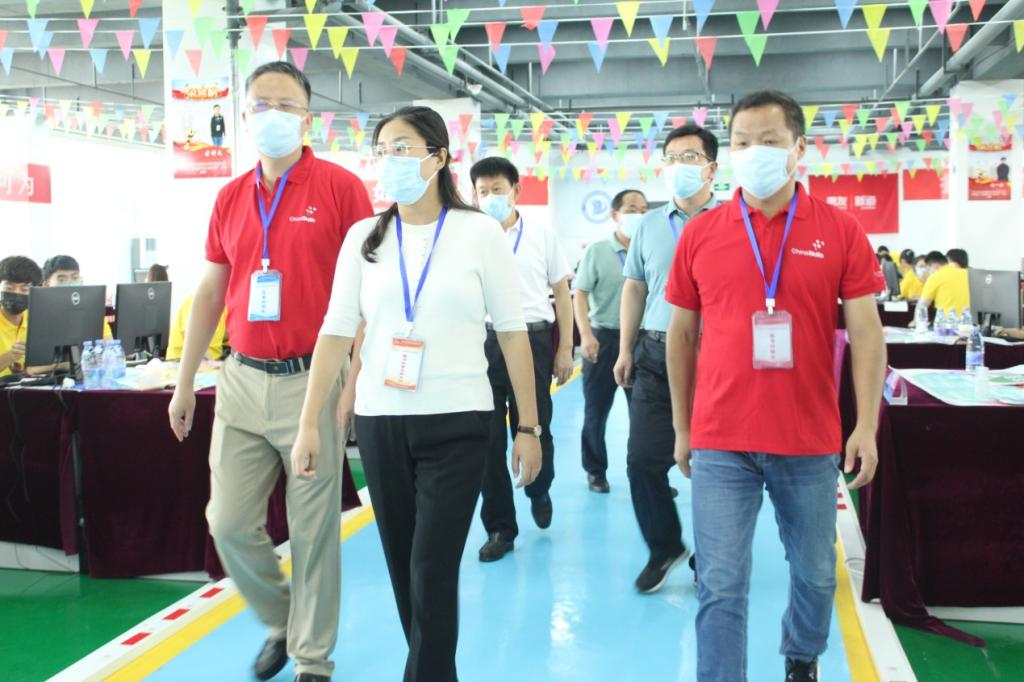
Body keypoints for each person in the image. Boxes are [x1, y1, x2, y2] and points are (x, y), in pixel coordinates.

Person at [290, 106, 541, 682]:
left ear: (438, 157)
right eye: (383, 150)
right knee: (405, 570)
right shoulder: (364, 238)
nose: (391, 160)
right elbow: (335, 331)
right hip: (381, 421)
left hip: (458, 421)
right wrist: (309, 422)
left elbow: (512, 332)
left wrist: (528, 427)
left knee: (431, 569)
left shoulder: (478, 233)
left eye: (403, 148)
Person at [664, 89, 887, 682]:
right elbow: (681, 335)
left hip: (808, 439)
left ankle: (801, 652)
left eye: (769, 140)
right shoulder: (702, 233)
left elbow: (866, 333)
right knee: (720, 582)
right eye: (741, 142)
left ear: (798, 148)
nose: (753, 152)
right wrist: (683, 427)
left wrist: (866, 426)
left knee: (815, 573)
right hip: (721, 438)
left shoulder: (839, 229)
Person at [166, 61, 373, 682]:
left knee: (312, 531)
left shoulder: (340, 188)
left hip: (314, 381)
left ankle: (313, 659)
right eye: (261, 104)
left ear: (308, 118)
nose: (273, 115)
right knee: (227, 522)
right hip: (240, 378)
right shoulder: (230, 196)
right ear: (244, 115)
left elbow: (367, 291)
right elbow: (210, 293)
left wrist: (354, 379)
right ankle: (282, 619)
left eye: (287, 105)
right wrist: (184, 382)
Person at [613, 123, 719, 593]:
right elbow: (635, 287)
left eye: (690, 157)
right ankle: (664, 546)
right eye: (672, 158)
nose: (679, 166)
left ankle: (711, 556)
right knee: (641, 460)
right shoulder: (650, 225)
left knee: (716, 466)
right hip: (655, 353)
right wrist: (625, 348)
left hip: (717, 355)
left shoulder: (733, 221)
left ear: (711, 167)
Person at [471, 156, 573, 562]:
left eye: (497, 189)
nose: (490, 197)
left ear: (516, 190)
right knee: (487, 439)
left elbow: (562, 293)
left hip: (533, 340)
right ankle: (500, 527)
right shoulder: (469, 235)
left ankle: (539, 487)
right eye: (482, 191)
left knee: (535, 426)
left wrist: (564, 348)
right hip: (482, 342)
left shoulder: (541, 234)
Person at [575, 189, 647, 493]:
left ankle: (645, 475)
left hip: (643, 340)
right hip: (603, 338)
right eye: (631, 209)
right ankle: (595, 471)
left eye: (643, 209)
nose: (638, 215)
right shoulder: (598, 250)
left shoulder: (649, 247)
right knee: (596, 411)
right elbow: (580, 293)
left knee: (644, 415)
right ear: (615, 214)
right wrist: (586, 335)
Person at [0, 256, 42, 378]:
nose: (16, 293)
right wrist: (11, 356)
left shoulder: (37, 318)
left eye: (24, 289)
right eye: (9, 288)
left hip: (20, 386)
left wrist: (24, 370)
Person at [166, 292, 227, 361]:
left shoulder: (226, 308)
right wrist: (213, 363)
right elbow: (194, 342)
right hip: (182, 360)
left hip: (213, 361)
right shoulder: (197, 301)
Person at [919, 249, 970, 316]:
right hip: (969, 320)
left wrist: (915, 321)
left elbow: (922, 305)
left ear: (934, 265)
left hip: (945, 320)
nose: (929, 272)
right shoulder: (970, 275)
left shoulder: (935, 276)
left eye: (928, 269)